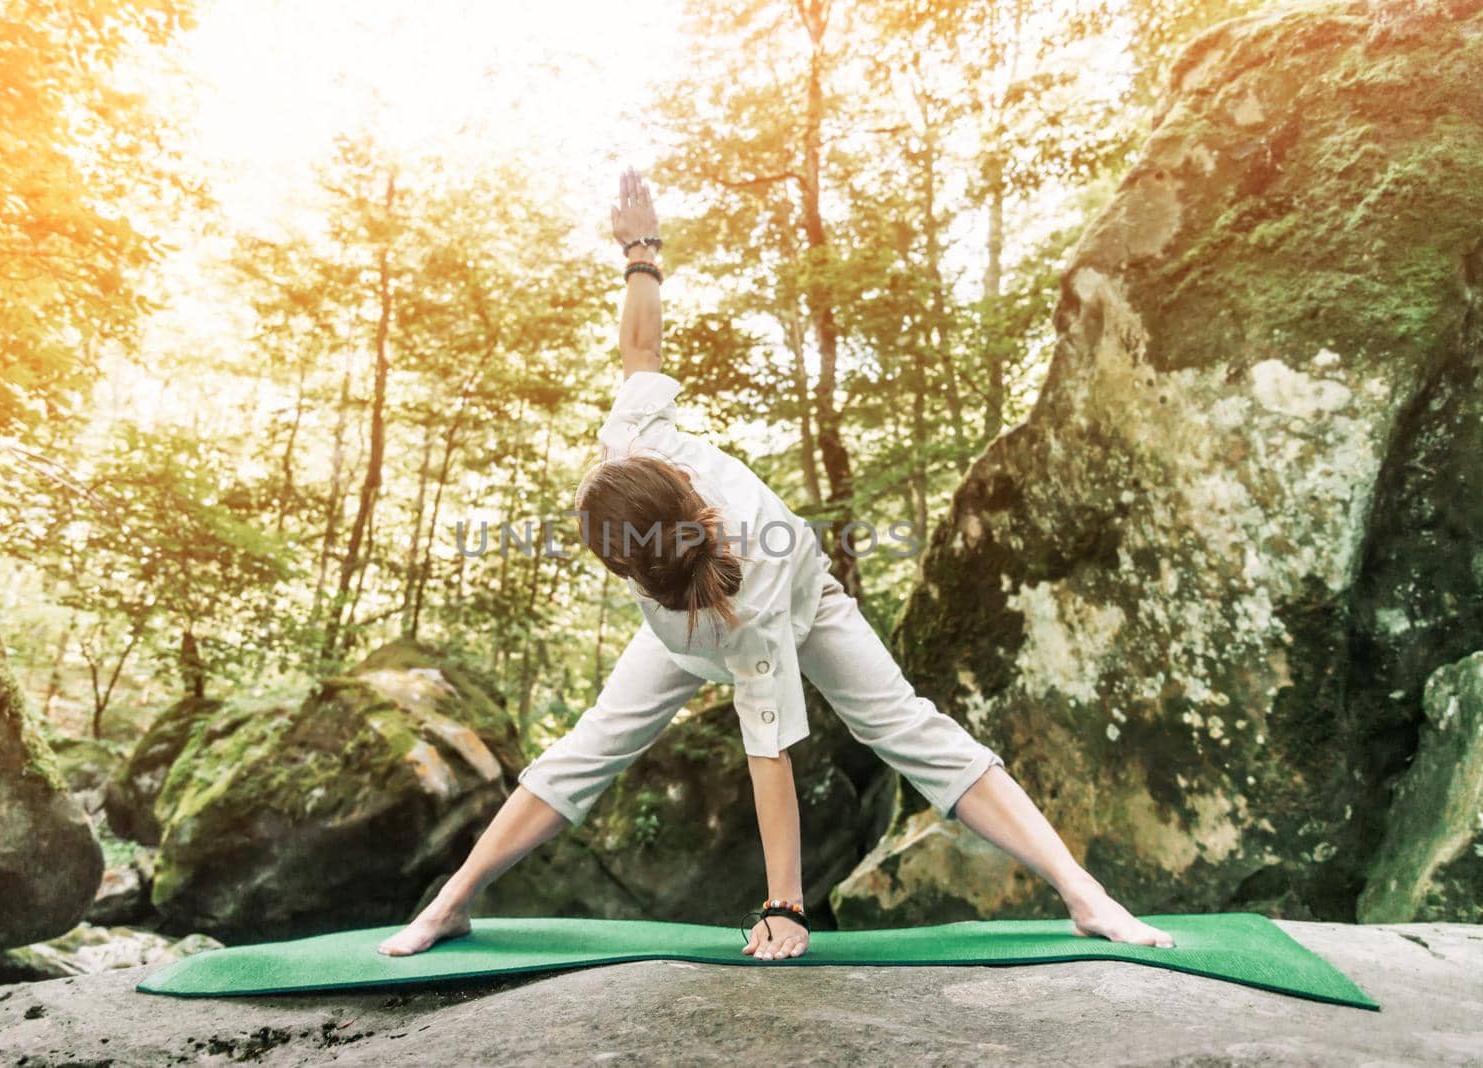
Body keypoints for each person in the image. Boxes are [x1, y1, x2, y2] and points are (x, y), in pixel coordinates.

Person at [376, 168, 1174, 961]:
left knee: (905, 727)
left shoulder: (746, 596)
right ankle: (449, 904)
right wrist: (640, 253)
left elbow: (770, 757)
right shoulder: (637, 450)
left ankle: (1085, 895)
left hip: (798, 605)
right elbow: (642, 345)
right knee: (588, 749)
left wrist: (784, 906)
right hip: (689, 619)